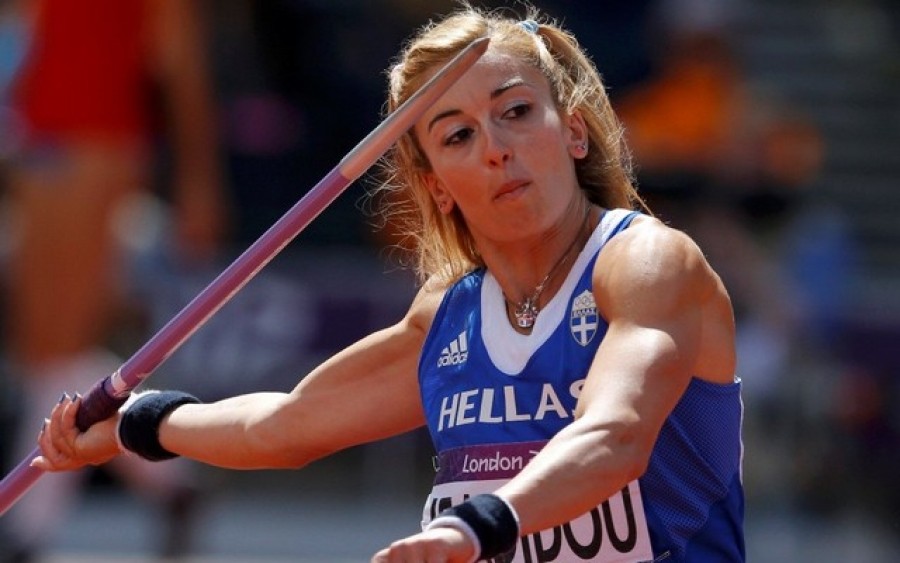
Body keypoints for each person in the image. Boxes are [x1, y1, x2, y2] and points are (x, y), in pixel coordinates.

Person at [31, 5, 744, 562]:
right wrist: (136, 423)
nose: (496, 149)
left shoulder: (647, 264)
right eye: (458, 135)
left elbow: (615, 434)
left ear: (575, 132)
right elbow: (286, 425)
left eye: (516, 111)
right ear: (437, 188)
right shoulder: (451, 315)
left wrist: (474, 527)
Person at [1, 0, 228, 559]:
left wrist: (199, 182)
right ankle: (172, 485)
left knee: (59, 344)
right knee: (43, 350)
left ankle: (27, 531)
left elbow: (182, 67)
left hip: (96, 145)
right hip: (38, 142)